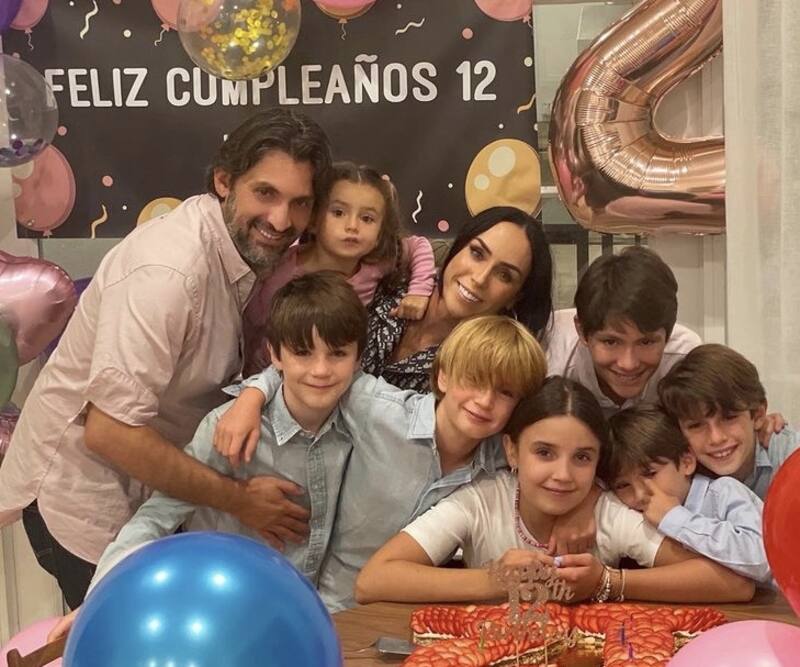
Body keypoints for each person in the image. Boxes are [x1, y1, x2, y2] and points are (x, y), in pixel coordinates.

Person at [0, 109, 332, 608]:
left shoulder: (242, 251)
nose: (282, 221)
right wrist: (240, 501)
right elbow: (110, 431)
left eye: (299, 203)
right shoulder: (169, 273)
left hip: (151, 502)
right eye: (265, 193)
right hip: (87, 507)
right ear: (224, 181)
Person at [215, 315, 549, 611]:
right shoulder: (380, 410)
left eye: (505, 393)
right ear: (444, 377)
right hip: (328, 605)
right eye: (474, 380)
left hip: (409, 617)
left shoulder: (505, 458)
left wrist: (572, 519)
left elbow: (561, 443)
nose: (485, 400)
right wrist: (252, 395)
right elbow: (315, 373)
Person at [354, 377, 755, 605]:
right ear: (512, 450)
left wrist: (608, 582)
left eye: (582, 457)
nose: (562, 475)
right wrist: (494, 581)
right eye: (544, 452)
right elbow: (373, 580)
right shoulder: (482, 500)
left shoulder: (607, 513)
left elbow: (734, 584)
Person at [242, 161, 436, 375]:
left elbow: (418, 246)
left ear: (380, 233)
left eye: (367, 218)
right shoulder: (281, 274)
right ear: (313, 221)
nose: (352, 226)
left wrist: (419, 291)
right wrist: (262, 383)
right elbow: (253, 330)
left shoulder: (376, 262)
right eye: (338, 212)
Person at [359, 206, 553, 391]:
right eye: (477, 253)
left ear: (516, 298)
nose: (480, 278)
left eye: (504, 275)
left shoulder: (486, 371)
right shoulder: (392, 276)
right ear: (458, 246)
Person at [606, 405, 770, 584]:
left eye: (650, 473)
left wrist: (675, 518)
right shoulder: (631, 518)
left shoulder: (723, 493)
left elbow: (762, 558)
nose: (639, 495)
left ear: (686, 462)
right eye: (623, 485)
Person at [545, 246, 700, 416]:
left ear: (668, 335)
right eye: (610, 342)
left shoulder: (685, 362)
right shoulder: (550, 359)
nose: (628, 364)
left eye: (646, 342)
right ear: (581, 331)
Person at [658, 343, 800, 500]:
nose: (716, 438)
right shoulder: (679, 473)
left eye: (729, 418)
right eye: (696, 425)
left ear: (758, 415)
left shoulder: (791, 455)